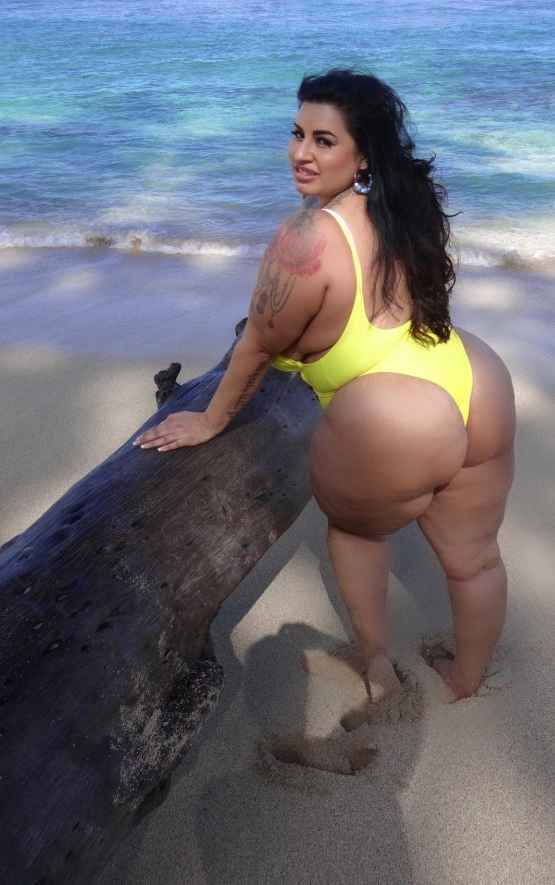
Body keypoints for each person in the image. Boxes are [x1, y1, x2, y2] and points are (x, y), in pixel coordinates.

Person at [134, 70, 515, 700]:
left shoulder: (306, 238)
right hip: (474, 379)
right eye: (297, 134)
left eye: (323, 140)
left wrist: (209, 419)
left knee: (358, 532)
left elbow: (258, 345)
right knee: (475, 560)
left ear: (361, 156)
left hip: (396, 418)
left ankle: (378, 668)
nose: (301, 153)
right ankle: (467, 680)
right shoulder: (402, 208)